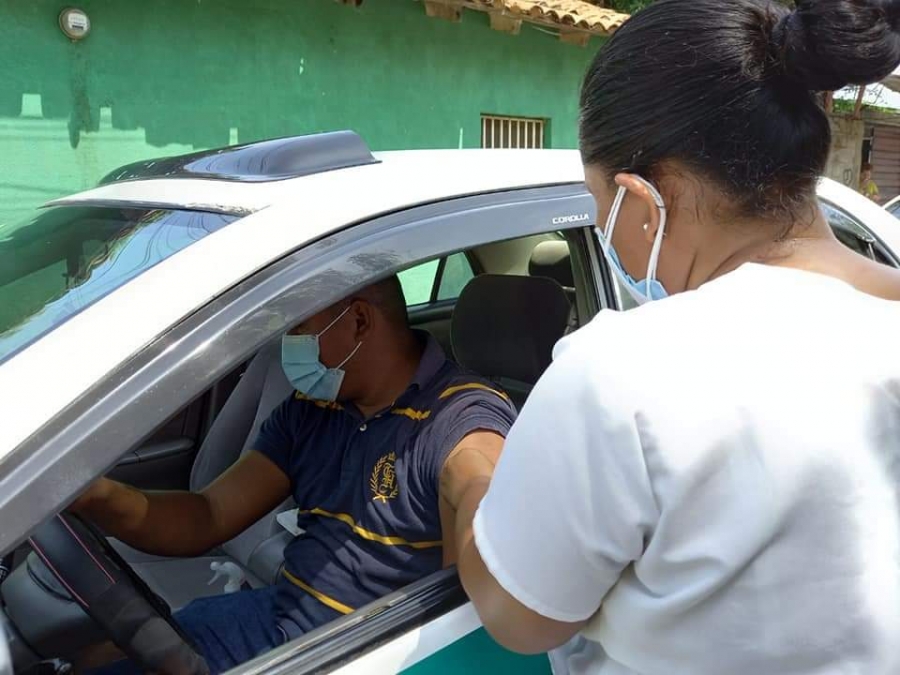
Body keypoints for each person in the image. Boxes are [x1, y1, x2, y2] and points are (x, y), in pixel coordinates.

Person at [447, 1, 900, 673]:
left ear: (642, 195)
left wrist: (470, 478)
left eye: (600, 204)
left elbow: (518, 615)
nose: (605, 230)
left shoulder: (621, 375)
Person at [74, 276, 516, 674]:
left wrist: (481, 497)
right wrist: (97, 496)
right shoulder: (312, 410)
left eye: (299, 328)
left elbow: (476, 482)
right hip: (279, 615)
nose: (289, 343)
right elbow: (208, 514)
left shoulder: (458, 418)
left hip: (357, 653)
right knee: (97, 657)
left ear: (359, 321)